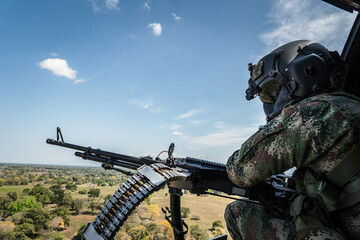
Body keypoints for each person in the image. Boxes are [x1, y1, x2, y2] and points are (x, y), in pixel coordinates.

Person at [225, 40, 360, 240]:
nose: (272, 101)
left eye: (273, 90)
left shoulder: (314, 112)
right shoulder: (349, 105)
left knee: (237, 212)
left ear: (307, 72)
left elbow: (239, 171)